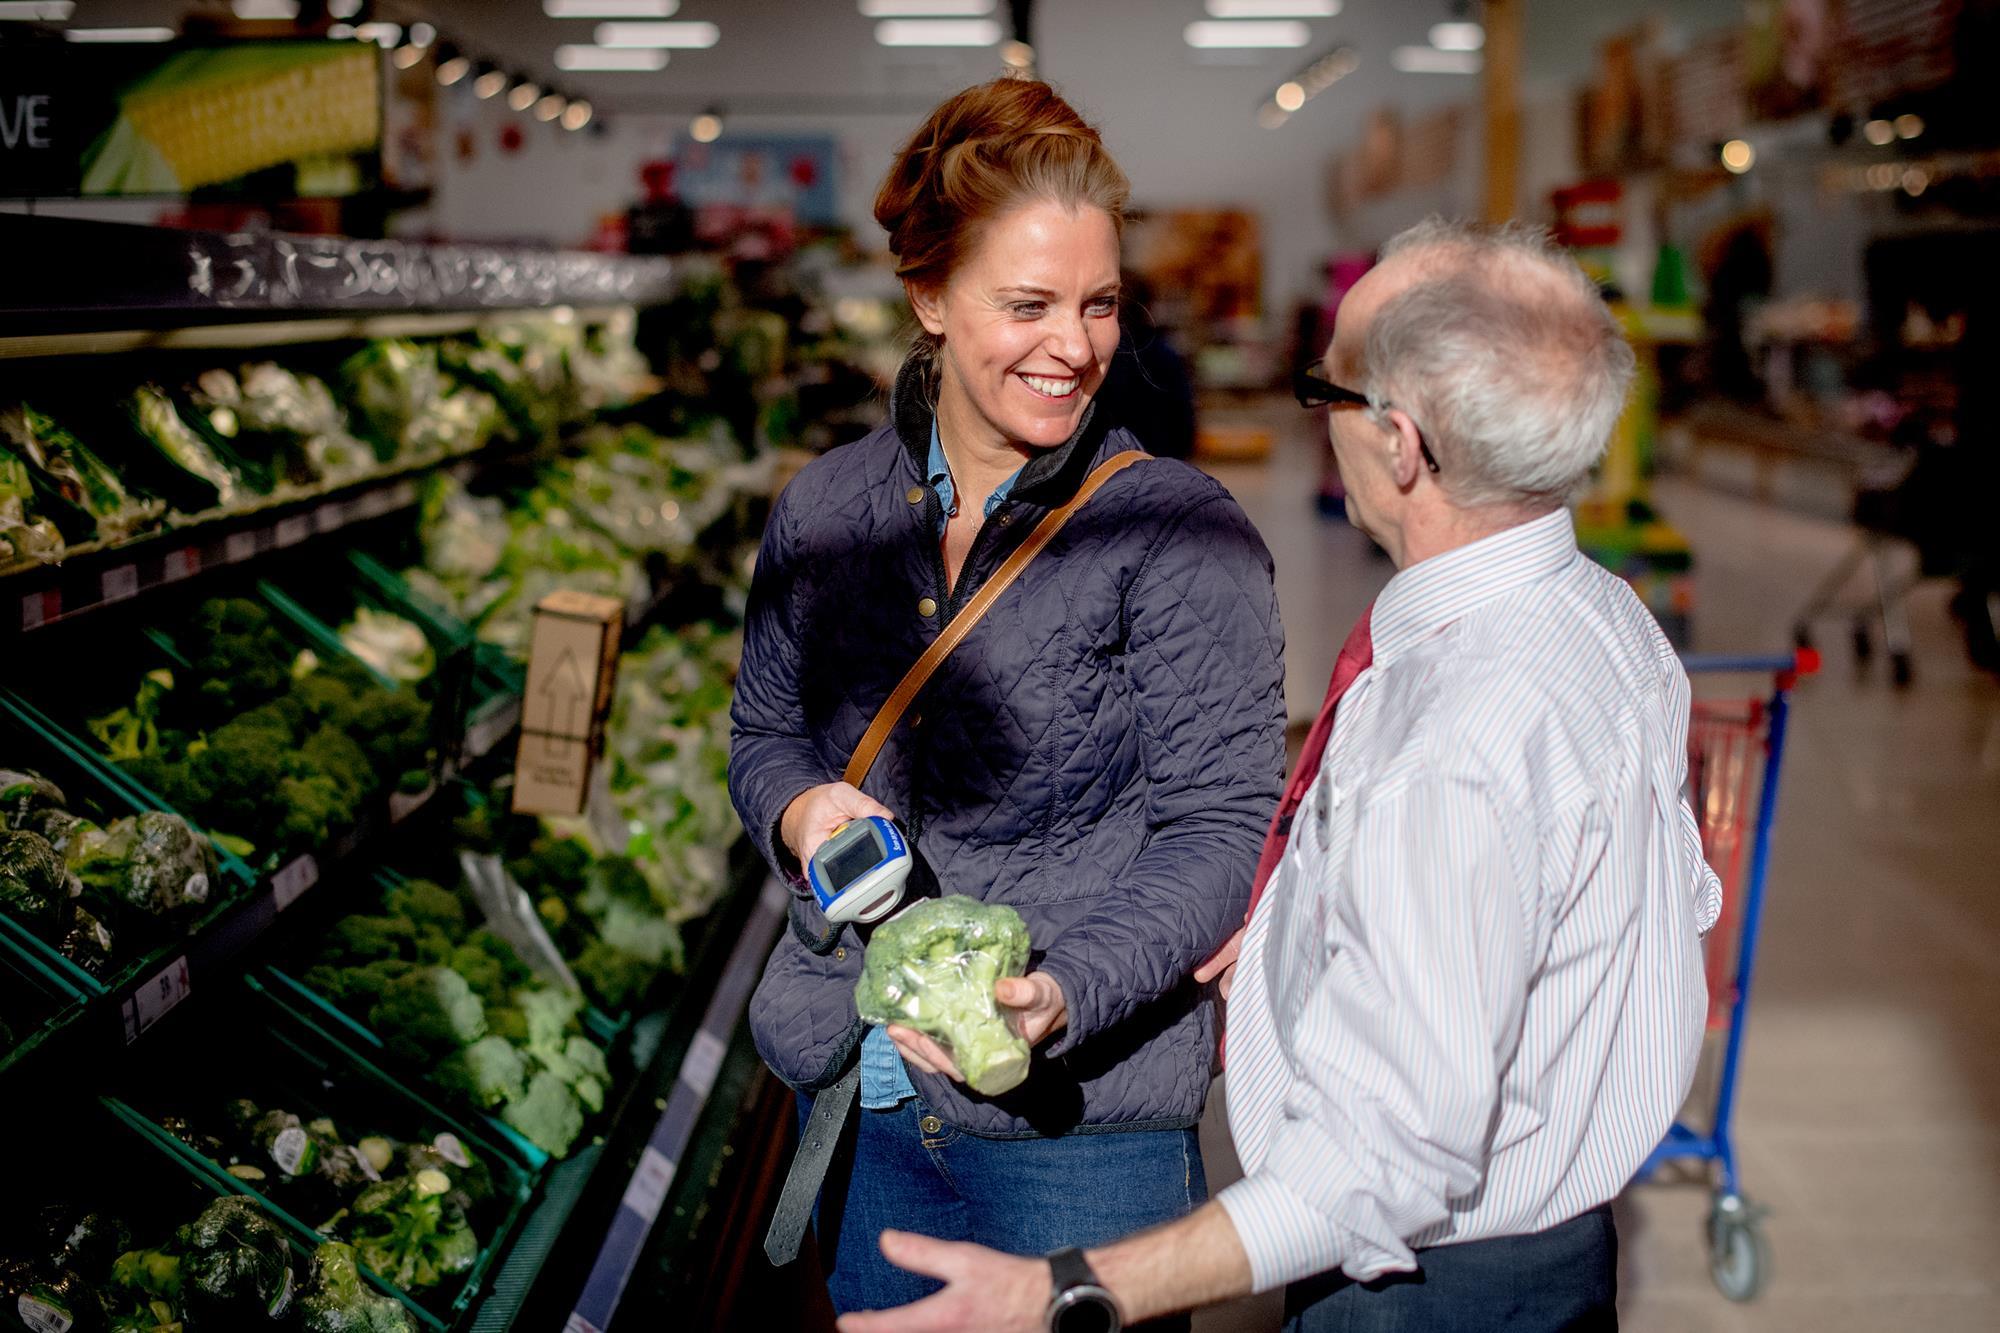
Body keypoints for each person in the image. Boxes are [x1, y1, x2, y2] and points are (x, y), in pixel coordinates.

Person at [835, 219, 1724, 1333]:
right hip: (1556, 1259)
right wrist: (1308, 924)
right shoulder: (1600, 621)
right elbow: (1599, 901)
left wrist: (1065, 1285)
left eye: (1325, 387)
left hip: (1421, 1296)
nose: (1315, 418)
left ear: (1397, 443)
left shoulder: (1444, 743)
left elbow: (1374, 1166)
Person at [728, 77, 1287, 1322]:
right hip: (864, 1098)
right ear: (928, 297)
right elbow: (761, 732)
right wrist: (798, 815)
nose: (1073, 344)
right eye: (1025, 304)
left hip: (1080, 1143)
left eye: (1097, 304)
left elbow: (1219, 833)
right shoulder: (824, 512)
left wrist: (1062, 990)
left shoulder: (1179, 535)